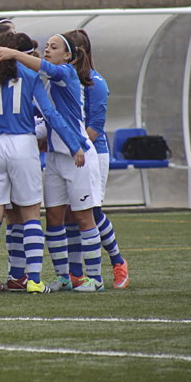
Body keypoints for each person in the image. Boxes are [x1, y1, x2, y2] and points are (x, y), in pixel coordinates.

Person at [0, 32, 86, 295]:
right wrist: (73, 143)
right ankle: (33, 279)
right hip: (22, 144)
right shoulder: (31, 75)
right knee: (31, 214)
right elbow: (50, 114)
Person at [66, 29, 129, 289]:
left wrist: (75, 147)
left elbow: (94, 127)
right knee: (69, 212)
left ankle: (118, 262)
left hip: (92, 152)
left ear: (76, 52)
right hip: (69, 152)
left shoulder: (96, 82)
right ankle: (73, 273)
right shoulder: (63, 79)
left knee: (91, 211)